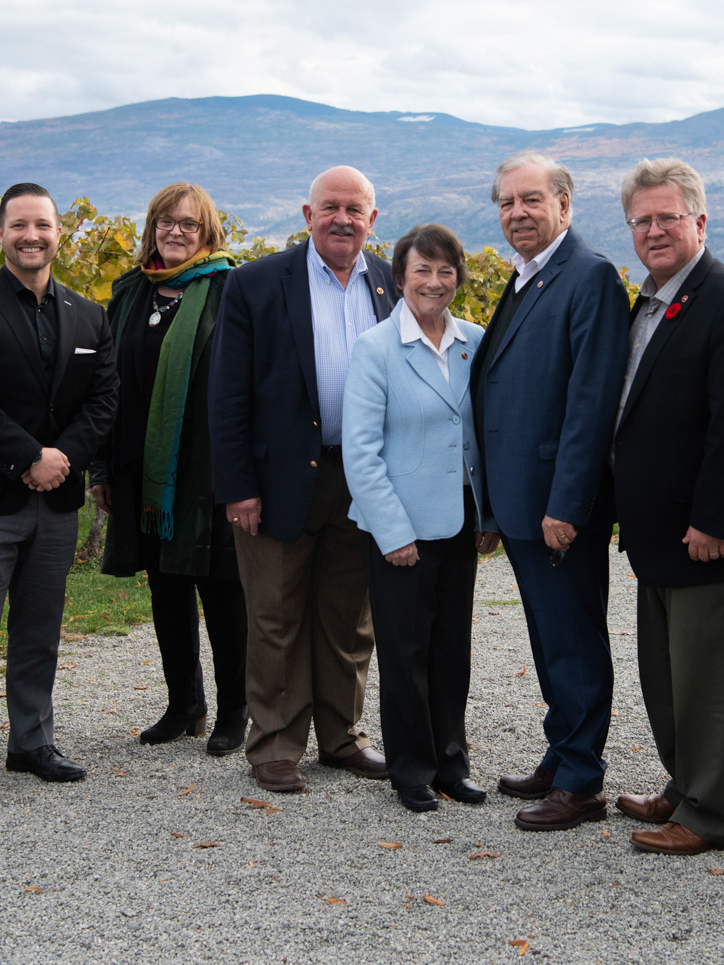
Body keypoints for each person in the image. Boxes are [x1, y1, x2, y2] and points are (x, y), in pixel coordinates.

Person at [0, 183, 119, 817]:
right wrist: (27, 458)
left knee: (39, 632)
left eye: (42, 224)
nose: (30, 235)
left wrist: (61, 459)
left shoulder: (90, 315)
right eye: (19, 225)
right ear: (1, 233)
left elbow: (104, 400)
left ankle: (31, 742)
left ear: (58, 233)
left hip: (56, 502)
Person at [208, 166, 399, 793]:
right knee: (275, 615)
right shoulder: (256, 283)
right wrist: (239, 485)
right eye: (330, 207)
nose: (342, 218)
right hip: (277, 478)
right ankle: (275, 743)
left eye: (355, 209)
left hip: (363, 476)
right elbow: (228, 394)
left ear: (373, 219)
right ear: (306, 214)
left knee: (349, 615)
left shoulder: (389, 282)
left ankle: (342, 737)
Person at [609, 159, 724, 856]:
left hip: (705, 536)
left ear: (699, 222)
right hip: (656, 535)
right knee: (666, 674)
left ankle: (709, 814)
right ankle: (684, 782)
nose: (653, 230)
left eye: (667, 217)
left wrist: (714, 518)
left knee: (706, 678)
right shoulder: (647, 300)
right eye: (641, 220)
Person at [472, 153, 630, 832]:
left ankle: (581, 780)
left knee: (571, 638)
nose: (517, 214)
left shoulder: (588, 275)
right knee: (547, 634)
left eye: (531, 200)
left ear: (564, 203)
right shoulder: (527, 277)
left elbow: (590, 400)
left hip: (556, 505)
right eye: (506, 203)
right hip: (521, 501)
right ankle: (560, 751)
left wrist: (566, 501)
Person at [342, 225, 499, 812]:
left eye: (445, 271)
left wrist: (489, 513)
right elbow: (361, 451)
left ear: (457, 276)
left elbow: (480, 435)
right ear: (400, 278)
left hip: (460, 519)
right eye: (421, 271)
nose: (434, 282)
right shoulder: (375, 348)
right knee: (405, 653)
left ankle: (451, 764)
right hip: (399, 526)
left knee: (451, 648)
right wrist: (393, 531)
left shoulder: (474, 342)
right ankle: (410, 768)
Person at [90, 183, 248, 755]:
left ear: (208, 231)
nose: (176, 232)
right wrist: (101, 468)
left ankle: (235, 710)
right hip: (144, 470)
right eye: (165, 222)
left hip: (208, 470)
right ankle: (184, 704)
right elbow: (106, 385)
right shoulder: (131, 291)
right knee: (165, 587)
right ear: (152, 228)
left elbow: (246, 386)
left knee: (222, 590)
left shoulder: (232, 288)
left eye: (188, 223)